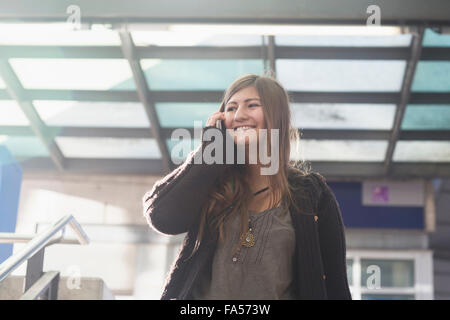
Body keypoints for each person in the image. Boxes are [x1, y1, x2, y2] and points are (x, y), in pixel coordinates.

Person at [143, 74, 352, 300]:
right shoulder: (212, 184)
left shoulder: (312, 194)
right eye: (231, 108)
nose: (239, 115)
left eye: (252, 105)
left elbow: (336, 285)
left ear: (276, 116)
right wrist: (210, 152)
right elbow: (162, 217)